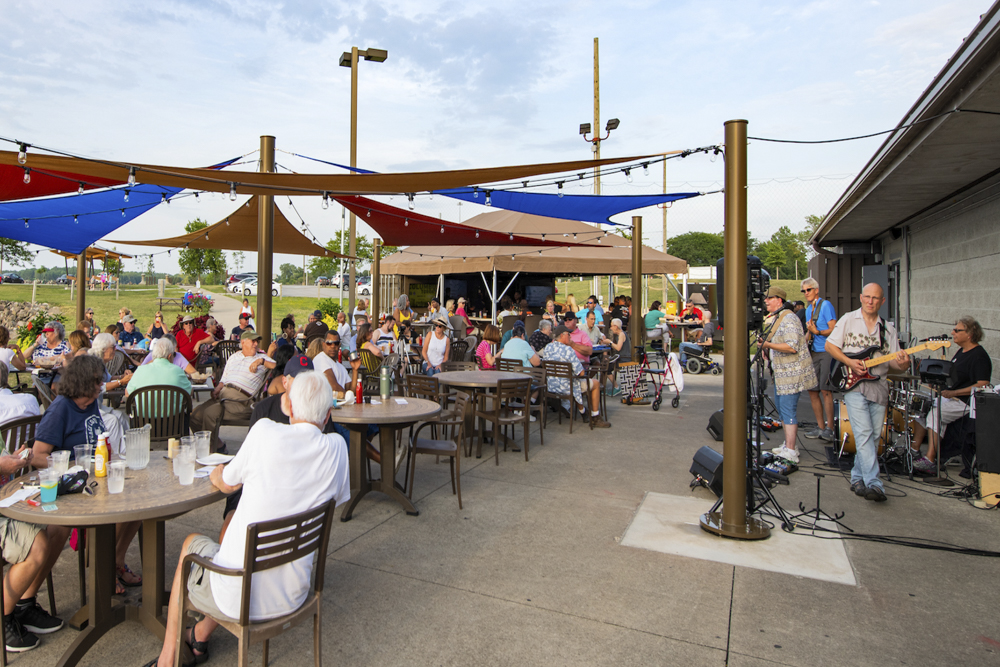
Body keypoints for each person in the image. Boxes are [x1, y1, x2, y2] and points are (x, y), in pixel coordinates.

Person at [142, 371, 350, 667]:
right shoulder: (338, 449)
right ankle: (198, 637)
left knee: (193, 544)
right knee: (237, 556)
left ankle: (167, 659)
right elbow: (336, 499)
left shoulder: (265, 431)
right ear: (328, 414)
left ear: (288, 405)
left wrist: (219, 472)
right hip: (294, 591)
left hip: (239, 596)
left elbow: (226, 482)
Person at [30, 354, 142, 593]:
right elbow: (37, 455)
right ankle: (105, 569)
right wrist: (70, 463)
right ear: (82, 382)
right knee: (122, 505)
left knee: (139, 503)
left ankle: (115, 562)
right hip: (71, 484)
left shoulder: (90, 403)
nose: (102, 384)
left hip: (96, 476)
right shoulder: (60, 410)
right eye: (97, 380)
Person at [826, 283, 909, 502]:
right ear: (861, 297)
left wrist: (905, 363)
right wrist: (849, 362)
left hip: (879, 386)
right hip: (854, 385)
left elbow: (896, 365)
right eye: (867, 297)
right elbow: (830, 346)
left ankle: (857, 478)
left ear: (882, 301)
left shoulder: (888, 329)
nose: (870, 301)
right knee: (863, 435)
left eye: (875, 298)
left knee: (872, 437)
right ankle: (875, 483)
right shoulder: (848, 319)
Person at [0, 435, 67, 651]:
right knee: (37, 544)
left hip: (7, 499)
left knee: (59, 524)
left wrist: (13, 459)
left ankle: (24, 603)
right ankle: (4, 617)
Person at [910, 316, 992, 472]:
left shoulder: (979, 356)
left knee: (935, 414)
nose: (952, 333)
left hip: (965, 402)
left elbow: (982, 384)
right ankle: (914, 450)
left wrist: (955, 392)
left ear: (969, 334)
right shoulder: (961, 351)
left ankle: (930, 459)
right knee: (922, 408)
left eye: (957, 330)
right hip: (951, 397)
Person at [191, 330, 276, 453]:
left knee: (210, 413)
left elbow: (275, 365)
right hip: (223, 395)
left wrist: (260, 361)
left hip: (241, 401)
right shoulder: (234, 357)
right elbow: (224, 379)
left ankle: (210, 451)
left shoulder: (261, 358)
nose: (256, 344)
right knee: (195, 414)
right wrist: (217, 389)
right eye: (253, 341)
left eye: (257, 341)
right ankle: (217, 445)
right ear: (243, 342)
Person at [758, 287, 817, 464]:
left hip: (792, 374)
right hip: (782, 374)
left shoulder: (789, 318)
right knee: (783, 410)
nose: (766, 301)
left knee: (788, 410)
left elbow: (792, 346)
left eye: (770, 298)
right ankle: (788, 445)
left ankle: (791, 450)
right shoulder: (779, 317)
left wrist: (768, 344)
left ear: (780, 300)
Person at [540, 325, 610, 428]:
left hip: (551, 386)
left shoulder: (548, 347)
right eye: (569, 334)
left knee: (576, 383)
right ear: (562, 335)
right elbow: (581, 373)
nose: (570, 337)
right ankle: (595, 416)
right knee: (595, 383)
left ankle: (583, 412)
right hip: (568, 387)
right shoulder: (568, 350)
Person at [800, 277, 838, 443]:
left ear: (816, 289)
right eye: (804, 291)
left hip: (826, 351)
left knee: (825, 390)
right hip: (814, 351)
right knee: (812, 390)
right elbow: (810, 332)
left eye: (808, 290)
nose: (806, 293)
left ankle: (830, 428)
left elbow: (833, 328)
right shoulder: (809, 309)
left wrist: (818, 332)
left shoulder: (825, 306)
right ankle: (820, 426)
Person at [127, 337, 192, 398]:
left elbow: (127, 393)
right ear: (169, 356)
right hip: (172, 410)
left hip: (144, 410)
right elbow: (189, 391)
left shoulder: (140, 370)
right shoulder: (178, 371)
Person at [313, 331, 361, 395]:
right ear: (323, 344)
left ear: (339, 345)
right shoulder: (320, 359)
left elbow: (352, 392)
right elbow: (333, 387)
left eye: (336, 343)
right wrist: (349, 397)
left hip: (341, 404)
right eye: (329, 343)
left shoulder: (341, 367)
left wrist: (355, 370)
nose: (333, 346)